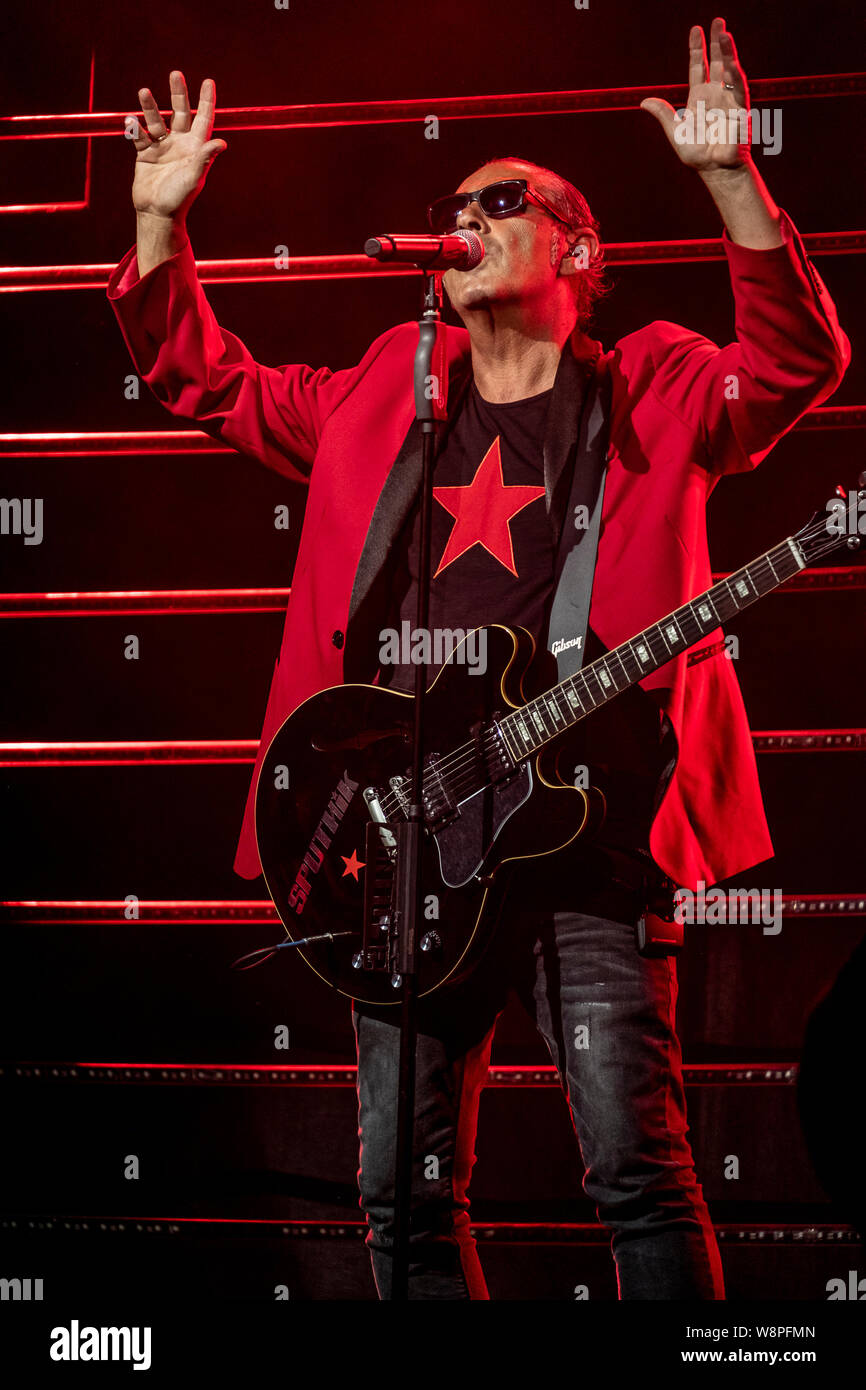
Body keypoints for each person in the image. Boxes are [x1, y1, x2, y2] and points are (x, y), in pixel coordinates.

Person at [108, 18, 849, 1299]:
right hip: (411, 835)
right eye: (455, 204)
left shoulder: (654, 382)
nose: (465, 217)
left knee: (637, 1170)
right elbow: (204, 380)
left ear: (577, 248)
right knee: (399, 1188)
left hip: (589, 831)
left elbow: (796, 363)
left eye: (502, 202)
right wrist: (162, 225)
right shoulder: (375, 392)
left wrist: (731, 177)